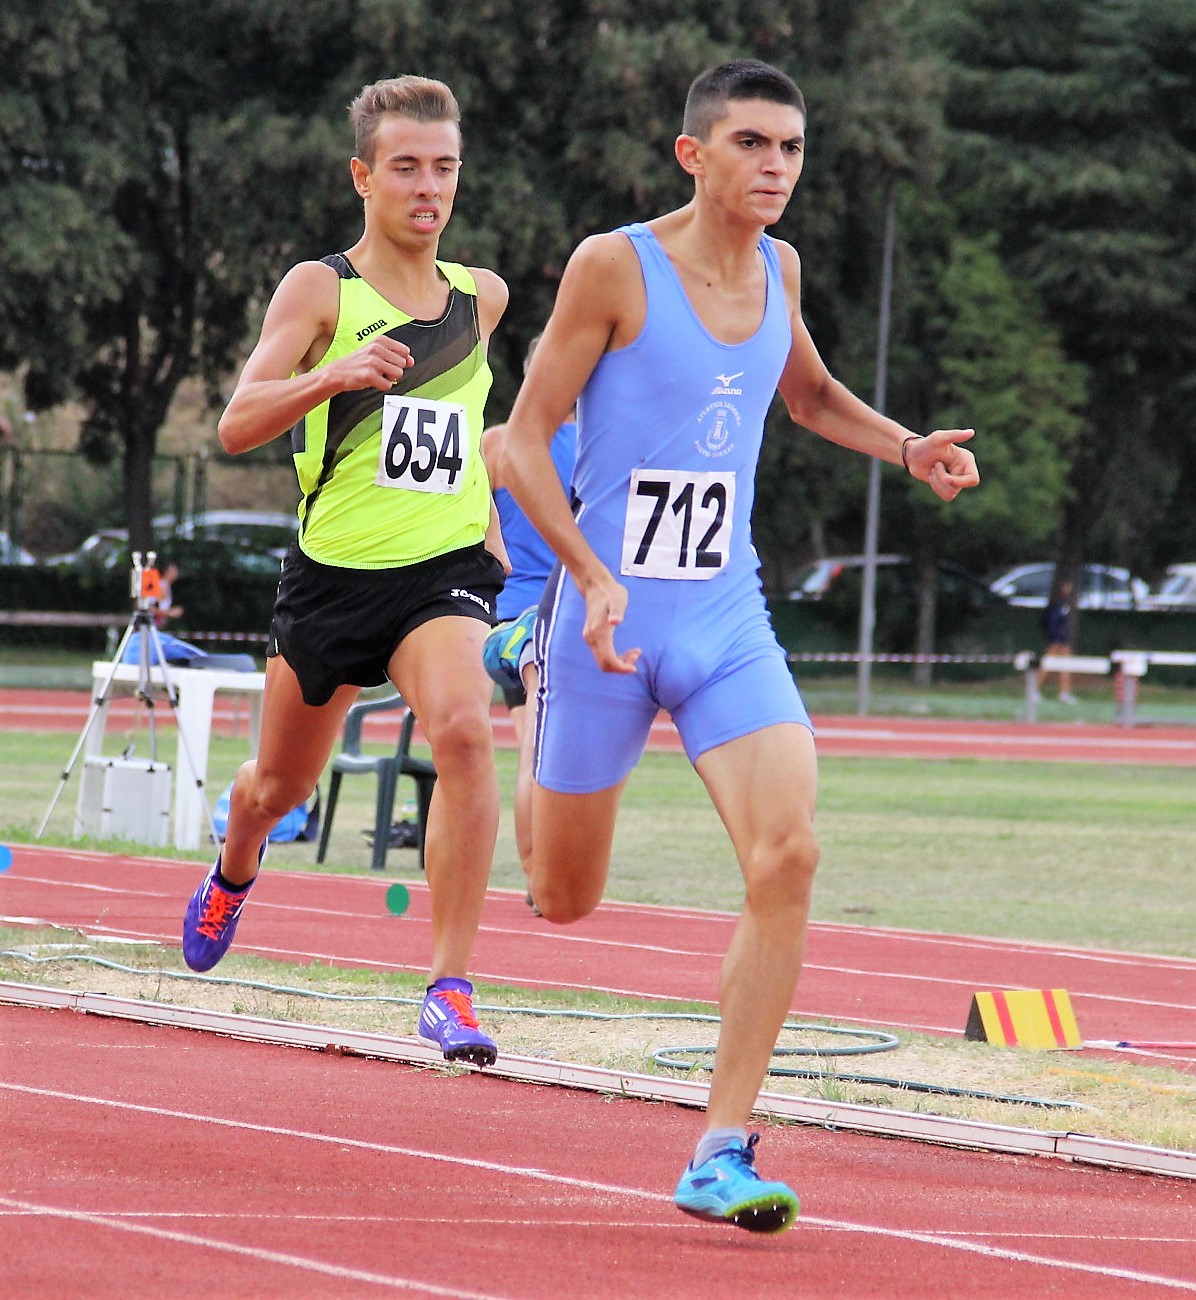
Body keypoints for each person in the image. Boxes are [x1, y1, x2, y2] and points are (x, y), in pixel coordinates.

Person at [484, 59, 980, 1231]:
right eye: (750, 144)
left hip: (722, 616)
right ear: (692, 153)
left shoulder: (779, 269)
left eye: (790, 148)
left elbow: (806, 398)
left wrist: (906, 447)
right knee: (560, 897)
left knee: (787, 853)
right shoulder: (614, 266)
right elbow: (524, 439)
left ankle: (718, 1146)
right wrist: (586, 574)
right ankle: (527, 674)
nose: (774, 167)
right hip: (601, 624)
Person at [180, 75, 510, 1068]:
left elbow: (462, 431)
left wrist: (491, 520)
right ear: (363, 176)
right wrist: (332, 373)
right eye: (406, 167)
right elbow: (236, 422)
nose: (428, 186)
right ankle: (234, 867)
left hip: (441, 571)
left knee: (464, 732)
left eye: (444, 167)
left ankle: (449, 986)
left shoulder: (481, 298)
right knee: (278, 788)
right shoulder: (320, 289)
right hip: (332, 579)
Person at [481, 335, 578, 902]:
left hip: (509, 616)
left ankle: (538, 874)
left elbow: (471, 531)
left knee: (533, 746)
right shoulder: (599, 447)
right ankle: (544, 878)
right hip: (566, 611)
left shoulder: (497, 445)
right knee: (550, 750)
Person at [1038, 576, 1076, 703]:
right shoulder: (1057, 604)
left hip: (1063, 641)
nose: (1069, 589)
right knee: (1046, 665)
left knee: (1065, 667)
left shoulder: (1065, 603)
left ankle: (1064, 693)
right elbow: (1052, 623)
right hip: (1056, 642)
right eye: (1066, 586)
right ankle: (1034, 690)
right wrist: (1055, 639)